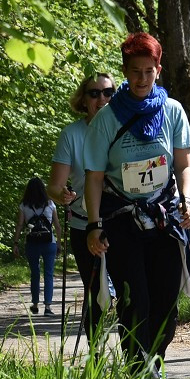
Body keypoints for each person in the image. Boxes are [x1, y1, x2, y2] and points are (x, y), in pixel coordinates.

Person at [83, 33, 190, 379]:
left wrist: (187, 200)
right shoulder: (107, 119)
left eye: (149, 71)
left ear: (158, 70)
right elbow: (95, 177)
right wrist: (93, 224)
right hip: (122, 220)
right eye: (135, 72)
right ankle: (138, 374)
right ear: (125, 72)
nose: (142, 79)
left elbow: (184, 164)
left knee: (166, 303)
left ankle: (154, 363)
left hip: (165, 215)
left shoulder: (173, 110)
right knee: (136, 301)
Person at [48, 72, 116, 343]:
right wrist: (61, 195)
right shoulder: (72, 134)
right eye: (94, 93)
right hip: (84, 224)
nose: (102, 98)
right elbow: (52, 186)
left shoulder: (125, 127)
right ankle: (96, 358)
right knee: (95, 293)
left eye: (108, 93)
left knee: (131, 290)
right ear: (84, 100)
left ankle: (136, 361)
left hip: (123, 222)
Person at [13, 176, 63, 314]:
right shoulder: (50, 204)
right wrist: (59, 243)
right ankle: (47, 306)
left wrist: (15, 243)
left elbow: (20, 225)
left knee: (35, 274)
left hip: (32, 242)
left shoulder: (24, 205)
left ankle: (35, 304)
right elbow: (57, 226)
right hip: (49, 242)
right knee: (49, 274)